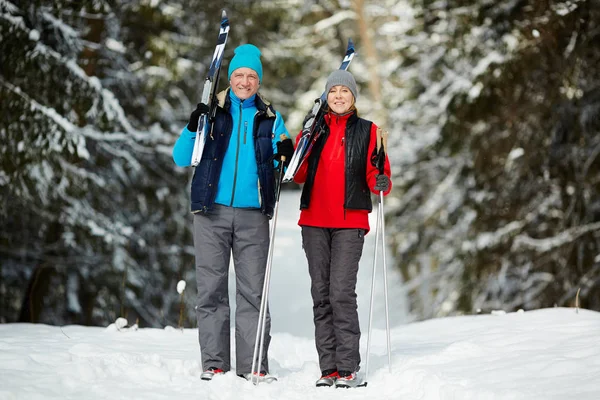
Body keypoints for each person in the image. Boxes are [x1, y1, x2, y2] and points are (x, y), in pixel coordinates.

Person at [172, 43, 294, 382]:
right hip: (211, 212)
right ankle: (214, 363)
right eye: (239, 74)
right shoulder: (213, 110)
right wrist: (192, 126)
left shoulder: (269, 117)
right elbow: (181, 158)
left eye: (251, 76)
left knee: (253, 292)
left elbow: (284, 164)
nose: (244, 81)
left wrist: (285, 149)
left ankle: (253, 364)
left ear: (259, 81)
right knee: (211, 289)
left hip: (254, 215)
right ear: (230, 77)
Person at [293, 70, 392, 388]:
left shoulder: (369, 131)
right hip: (314, 221)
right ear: (326, 96)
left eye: (344, 91)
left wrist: (381, 180)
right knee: (321, 295)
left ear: (353, 97)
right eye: (333, 91)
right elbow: (298, 175)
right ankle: (329, 368)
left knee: (341, 293)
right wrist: (299, 146)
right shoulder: (314, 129)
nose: (338, 96)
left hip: (350, 223)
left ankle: (348, 366)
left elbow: (379, 176)